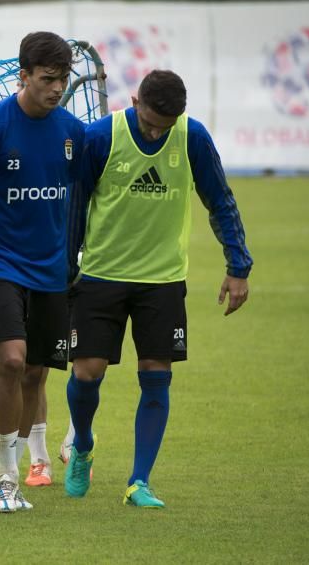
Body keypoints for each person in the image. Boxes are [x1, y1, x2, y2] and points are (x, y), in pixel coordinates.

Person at [64, 69, 251, 508]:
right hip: (101, 277)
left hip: (162, 282)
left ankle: (138, 482)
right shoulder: (101, 137)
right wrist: (66, 267)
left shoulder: (192, 138)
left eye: (163, 127)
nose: (154, 132)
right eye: (148, 122)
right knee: (86, 374)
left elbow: (219, 199)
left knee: (156, 377)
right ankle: (83, 446)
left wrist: (238, 265)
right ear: (133, 100)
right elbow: (75, 205)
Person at [0, 31, 86, 512]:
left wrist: (75, 256)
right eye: (48, 79)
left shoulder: (72, 132)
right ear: (24, 75)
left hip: (52, 270)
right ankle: (5, 478)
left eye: (63, 79)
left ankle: (27, 465)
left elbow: (77, 202)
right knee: (10, 361)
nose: (57, 88)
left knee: (35, 372)